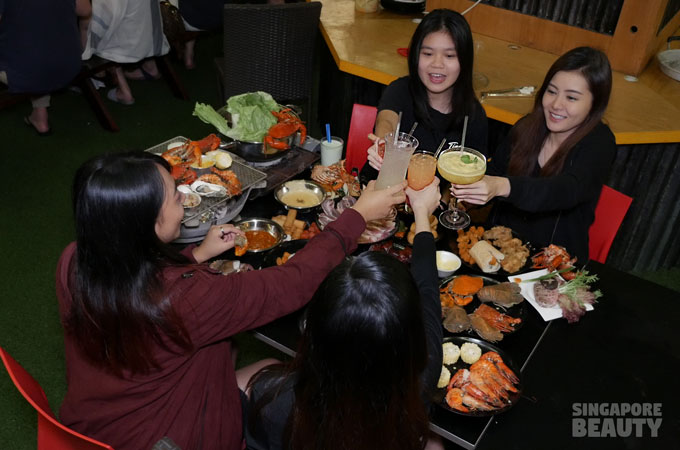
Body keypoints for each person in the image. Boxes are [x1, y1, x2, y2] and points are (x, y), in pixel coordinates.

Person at [56, 151, 406, 450]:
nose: (182, 195)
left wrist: (196, 255)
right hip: (167, 439)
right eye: (174, 197)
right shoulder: (188, 297)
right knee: (297, 382)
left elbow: (135, 287)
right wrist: (356, 216)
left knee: (267, 364)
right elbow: (291, 284)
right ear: (143, 223)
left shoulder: (75, 259)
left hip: (96, 425)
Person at [244, 179, 443, 450]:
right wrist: (421, 214)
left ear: (313, 331)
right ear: (413, 340)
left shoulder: (274, 402)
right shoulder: (423, 378)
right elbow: (429, 290)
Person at [452, 47, 616, 263]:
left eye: (572, 98)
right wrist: (468, 193)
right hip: (497, 253)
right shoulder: (526, 127)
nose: (556, 104)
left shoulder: (600, 143)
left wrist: (502, 186)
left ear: (595, 103)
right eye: (551, 91)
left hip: (554, 265)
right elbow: (495, 173)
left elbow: (565, 190)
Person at [361, 8, 488, 184]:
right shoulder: (401, 89)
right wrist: (383, 144)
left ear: (465, 61)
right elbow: (387, 120)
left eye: (450, 55)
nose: (437, 64)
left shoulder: (474, 117)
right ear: (415, 55)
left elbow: (467, 185)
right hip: (379, 191)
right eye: (428, 54)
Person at [0, 0, 87, 135]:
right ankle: (40, 115)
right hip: (69, 63)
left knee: (28, 50)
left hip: (25, 71)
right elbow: (85, 10)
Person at [81, 0, 170, 105]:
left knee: (93, 30)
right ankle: (151, 68)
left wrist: (83, 51)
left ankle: (124, 92)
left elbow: (99, 23)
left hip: (124, 48)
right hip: (152, 39)